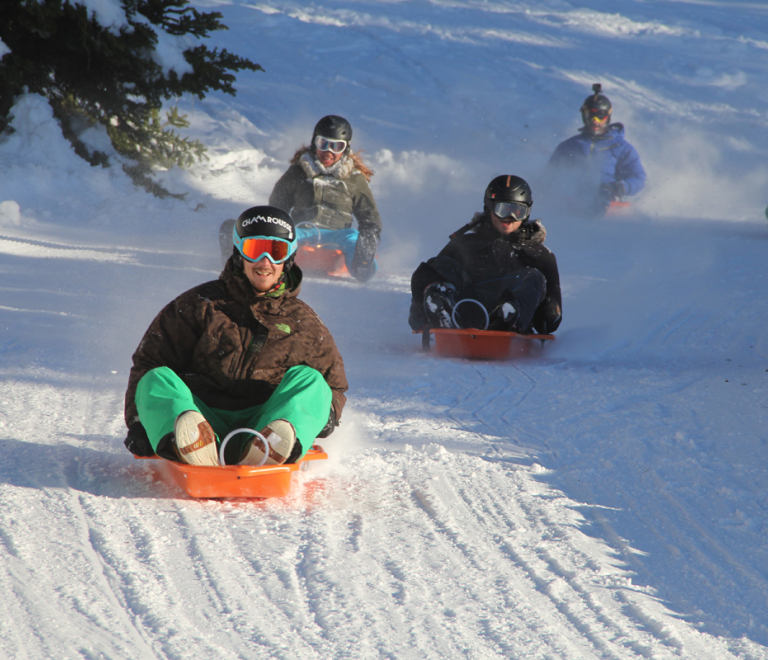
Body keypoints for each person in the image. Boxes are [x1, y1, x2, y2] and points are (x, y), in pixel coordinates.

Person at [125, 205, 348, 467]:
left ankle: (272, 443)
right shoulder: (200, 304)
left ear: (288, 259)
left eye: (276, 251)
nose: (265, 262)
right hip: (201, 415)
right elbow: (149, 362)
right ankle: (191, 441)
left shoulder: (304, 322)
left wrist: (325, 415)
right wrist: (139, 423)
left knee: (311, 380)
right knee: (157, 378)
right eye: (255, 250)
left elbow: (333, 386)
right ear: (239, 253)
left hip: (264, 420)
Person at [219, 115, 383, 282]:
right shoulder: (298, 172)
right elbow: (278, 205)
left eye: (337, 146)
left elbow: (370, 215)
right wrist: (273, 231)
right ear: (314, 143)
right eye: (323, 143)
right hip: (302, 230)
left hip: (339, 235)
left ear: (346, 149)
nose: (329, 151)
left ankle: (363, 266)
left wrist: (369, 235)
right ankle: (238, 253)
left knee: (353, 239)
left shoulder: (354, 178)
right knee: (277, 243)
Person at [408, 175, 562, 336]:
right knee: (441, 265)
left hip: (510, 327)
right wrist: (423, 313)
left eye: (517, 211)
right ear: (489, 208)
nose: (509, 219)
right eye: (503, 210)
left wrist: (546, 305)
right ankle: (442, 312)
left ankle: (507, 315)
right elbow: (427, 284)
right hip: (461, 315)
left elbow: (551, 322)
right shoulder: (463, 244)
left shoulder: (539, 255)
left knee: (533, 277)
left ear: (527, 212)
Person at [547, 83, 646, 214]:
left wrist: (621, 187)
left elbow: (638, 178)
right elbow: (549, 176)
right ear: (584, 116)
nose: (595, 120)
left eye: (600, 115)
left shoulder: (621, 147)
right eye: (590, 115)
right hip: (570, 204)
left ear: (608, 117)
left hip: (606, 205)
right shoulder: (569, 145)